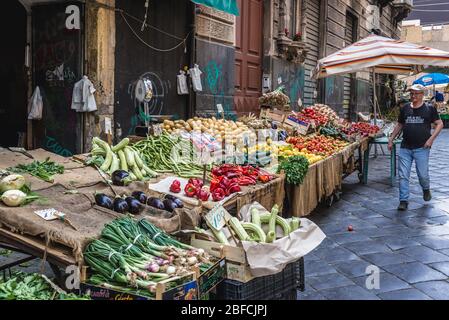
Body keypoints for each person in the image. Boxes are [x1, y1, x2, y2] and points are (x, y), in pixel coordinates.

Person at [388, 84, 444, 211]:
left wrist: (431, 139)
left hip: (422, 148)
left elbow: (440, 124)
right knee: (403, 175)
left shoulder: (429, 109)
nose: (413, 96)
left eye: (416, 93)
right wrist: (391, 139)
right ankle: (403, 200)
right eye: (411, 93)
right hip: (405, 147)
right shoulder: (405, 108)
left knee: (422, 175)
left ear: (422, 95)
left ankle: (425, 188)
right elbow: (400, 124)